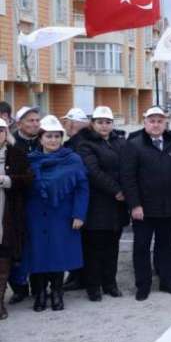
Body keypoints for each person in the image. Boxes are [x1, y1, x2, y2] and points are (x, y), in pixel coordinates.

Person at [23, 115, 89, 312]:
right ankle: (41, 293)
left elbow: (82, 187)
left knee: (59, 255)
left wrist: (79, 214)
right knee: (38, 254)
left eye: (57, 136)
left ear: (61, 138)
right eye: (49, 136)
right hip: (35, 214)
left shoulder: (73, 160)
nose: (53, 140)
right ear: (40, 138)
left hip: (62, 213)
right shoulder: (30, 160)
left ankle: (57, 292)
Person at [122, 106, 171, 301]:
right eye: (152, 121)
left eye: (160, 121)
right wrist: (134, 205)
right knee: (141, 247)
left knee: (167, 246)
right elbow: (128, 178)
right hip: (144, 208)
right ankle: (143, 285)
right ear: (145, 123)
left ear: (165, 123)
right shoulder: (133, 145)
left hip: (169, 206)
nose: (156, 124)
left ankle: (168, 282)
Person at [76, 106, 128, 301]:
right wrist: (117, 190)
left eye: (108, 122)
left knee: (113, 248)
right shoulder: (85, 144)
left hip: (118, 206)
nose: (104, 126)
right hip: (97, 205)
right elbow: (93, 172)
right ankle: (93, 286)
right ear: (93, 123)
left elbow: (128, 167)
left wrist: (126, 191)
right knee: (94, 249)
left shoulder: (120, 142)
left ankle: (110, 283)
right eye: (100, 122)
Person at [7, 105, 41, 304]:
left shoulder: (46, 139)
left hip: (39, 203)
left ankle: (38, 286)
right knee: (15, 247)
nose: (35, 124)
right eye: (30, 120)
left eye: (37, 120)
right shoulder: (11, 144)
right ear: (19, 124)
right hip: (15, 203)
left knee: (37, 246)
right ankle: (19, 288)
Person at [0, 118, 33, 320]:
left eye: (1, 131)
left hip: (7, 215)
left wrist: (7, 180)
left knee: (4, 259)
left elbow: (28, 179)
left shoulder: (16, 154)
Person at [61, 106, 91, 292]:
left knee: (80, 241)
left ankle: (79, 277)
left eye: (66, 121)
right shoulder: (78, 141)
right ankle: (76, 275)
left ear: (73, 123)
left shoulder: (77, 144)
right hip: (80, 198)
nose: (64, 125)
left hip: (79, 198)